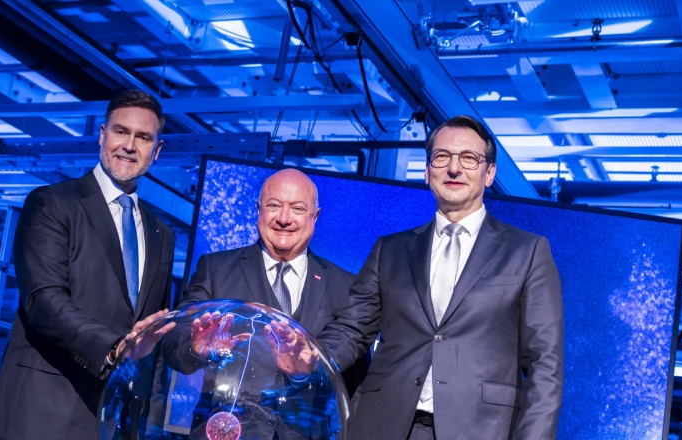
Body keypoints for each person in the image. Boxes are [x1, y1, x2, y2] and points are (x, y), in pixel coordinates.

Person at [316, 115, 564, 439]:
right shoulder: (389, 250)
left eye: (469, 158)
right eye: (442, 157)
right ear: (427, 172)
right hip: (381, 426)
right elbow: (350, 329)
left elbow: (545, 366)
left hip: (480, 430)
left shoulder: (528, 251)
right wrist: (305, 356)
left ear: (489, 173)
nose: (454, 168)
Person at [0, 90, 177, 440]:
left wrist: (152, 421)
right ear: (102, 135)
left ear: (157, 151)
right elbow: (43, 301)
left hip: (114, 427)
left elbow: (152, 337)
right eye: (120, 131)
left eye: (143, 137)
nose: (129, 145)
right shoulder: (52, 203)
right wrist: (115, 348)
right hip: (41, 420)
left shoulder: (162, 233)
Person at [161, 168, 369, 438]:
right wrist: (195, 347)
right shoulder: (216, 269)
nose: (284, 218)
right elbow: (173, 340)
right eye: (273, 205)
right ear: (258, 209)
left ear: (314, 216)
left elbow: (357, 377)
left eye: (297, 208)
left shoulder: (346, 287)